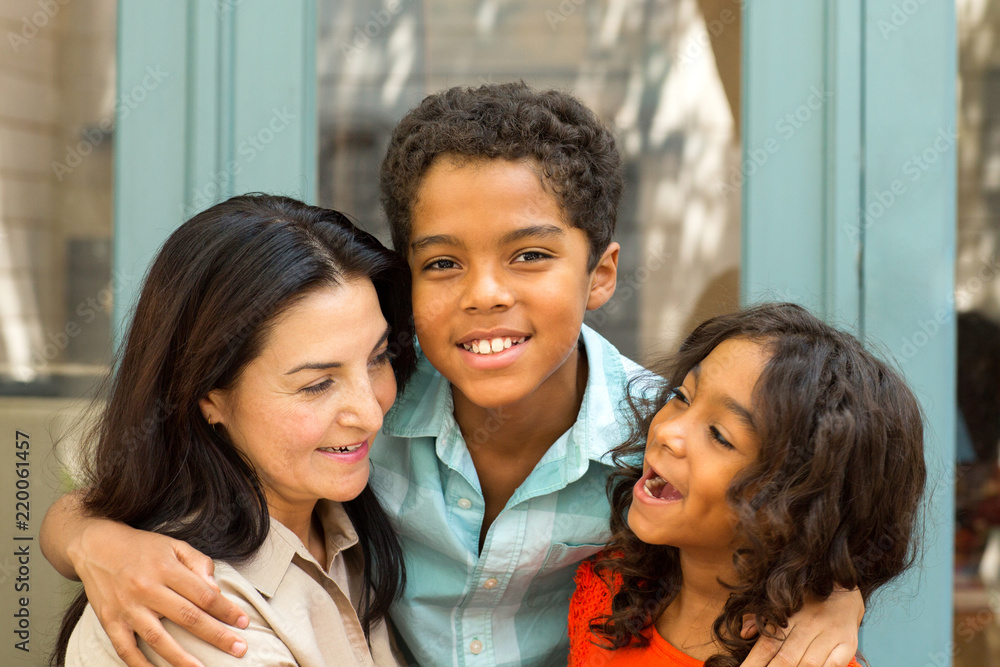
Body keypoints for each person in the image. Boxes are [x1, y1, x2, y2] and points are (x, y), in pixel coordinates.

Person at [41, 83, 865, 667]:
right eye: (442, 263)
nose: (485, 295)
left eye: (531, 255)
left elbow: (789, 510)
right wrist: (92, 538)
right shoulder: (365, 420)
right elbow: (153, 473)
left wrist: (838, 590)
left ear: (602, 274)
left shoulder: (663, 439)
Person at [50, 194, 416, 666]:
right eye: (317, 384)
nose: (370, 413)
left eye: (378, 357)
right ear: (208, 394)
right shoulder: (195, 604)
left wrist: (81, 532)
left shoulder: (339, 522)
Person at [568, 303, 926, 666]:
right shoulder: (610, 582)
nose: (665, 431)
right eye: (681, 397)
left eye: (720, 436)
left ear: (796, 508)